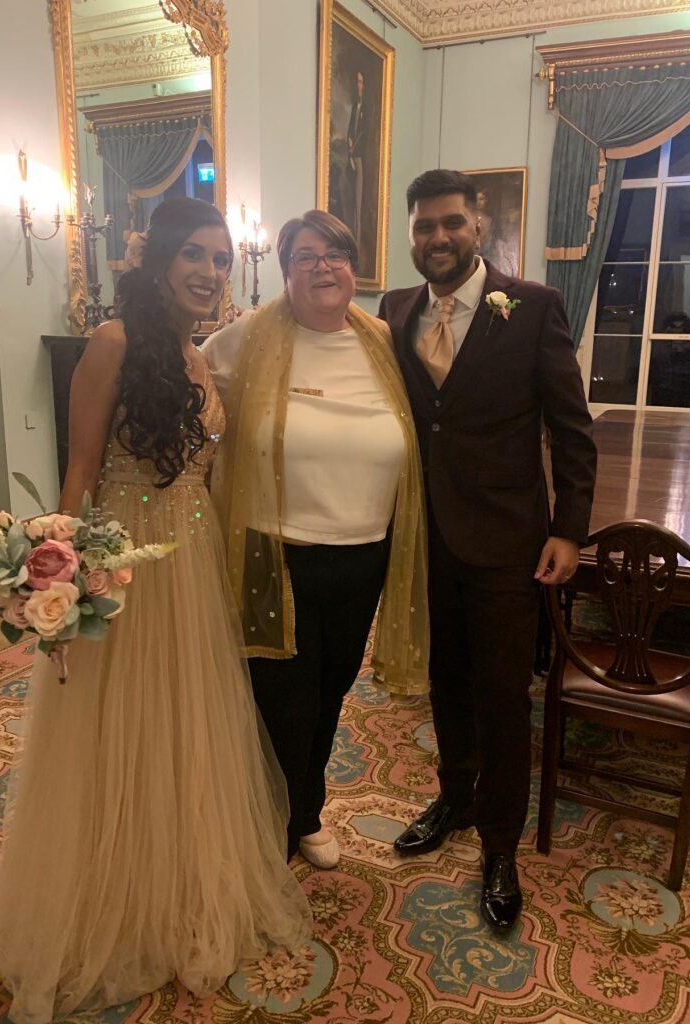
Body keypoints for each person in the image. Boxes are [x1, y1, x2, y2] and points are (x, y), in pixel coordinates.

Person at [0, 198, 311, 1023]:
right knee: (115, 730)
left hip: (191, 566)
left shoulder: (197, 354)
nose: (208, 272)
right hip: (124, 565)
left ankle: (178, 886)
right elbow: (81, 468)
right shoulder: (114, 342)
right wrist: (59, 574)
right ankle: (108, 901)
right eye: (194, 255)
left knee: (184, 726)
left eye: (221, 258)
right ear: (160, 259)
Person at [378, 170, 597, 931]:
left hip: (508, 540)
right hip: (422, 539)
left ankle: (499, 842)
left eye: (450, 224)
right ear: (410, 235)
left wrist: (568, 527)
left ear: (478, 228)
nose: (436, 238)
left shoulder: (531, 307)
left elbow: (571, 428)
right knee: (445, 679)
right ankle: (454, 796)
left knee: (503, 694)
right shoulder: (393, 310)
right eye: (422, 227)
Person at [203, 209, 429, 871]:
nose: (323, 267)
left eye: (334, 254)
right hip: (277, 555)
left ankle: (303, 809)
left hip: (364, 553)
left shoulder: (384, 341)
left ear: (352, 267)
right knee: (282, 701)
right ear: (285, 271)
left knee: (329, 693)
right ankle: (269, 822)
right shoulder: (243, 339)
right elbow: (196, 395)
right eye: (306, 256)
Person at [346, 70, 367, 252]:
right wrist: (348, 144)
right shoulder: (354, 107)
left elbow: (363, 133)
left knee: (359, 205)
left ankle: (357, 246)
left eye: (360, 82)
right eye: (356, 82)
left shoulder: (367, 108)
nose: (357, 85)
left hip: (359, 157)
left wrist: (353, 150)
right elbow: (350, 132)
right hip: (351, 157)